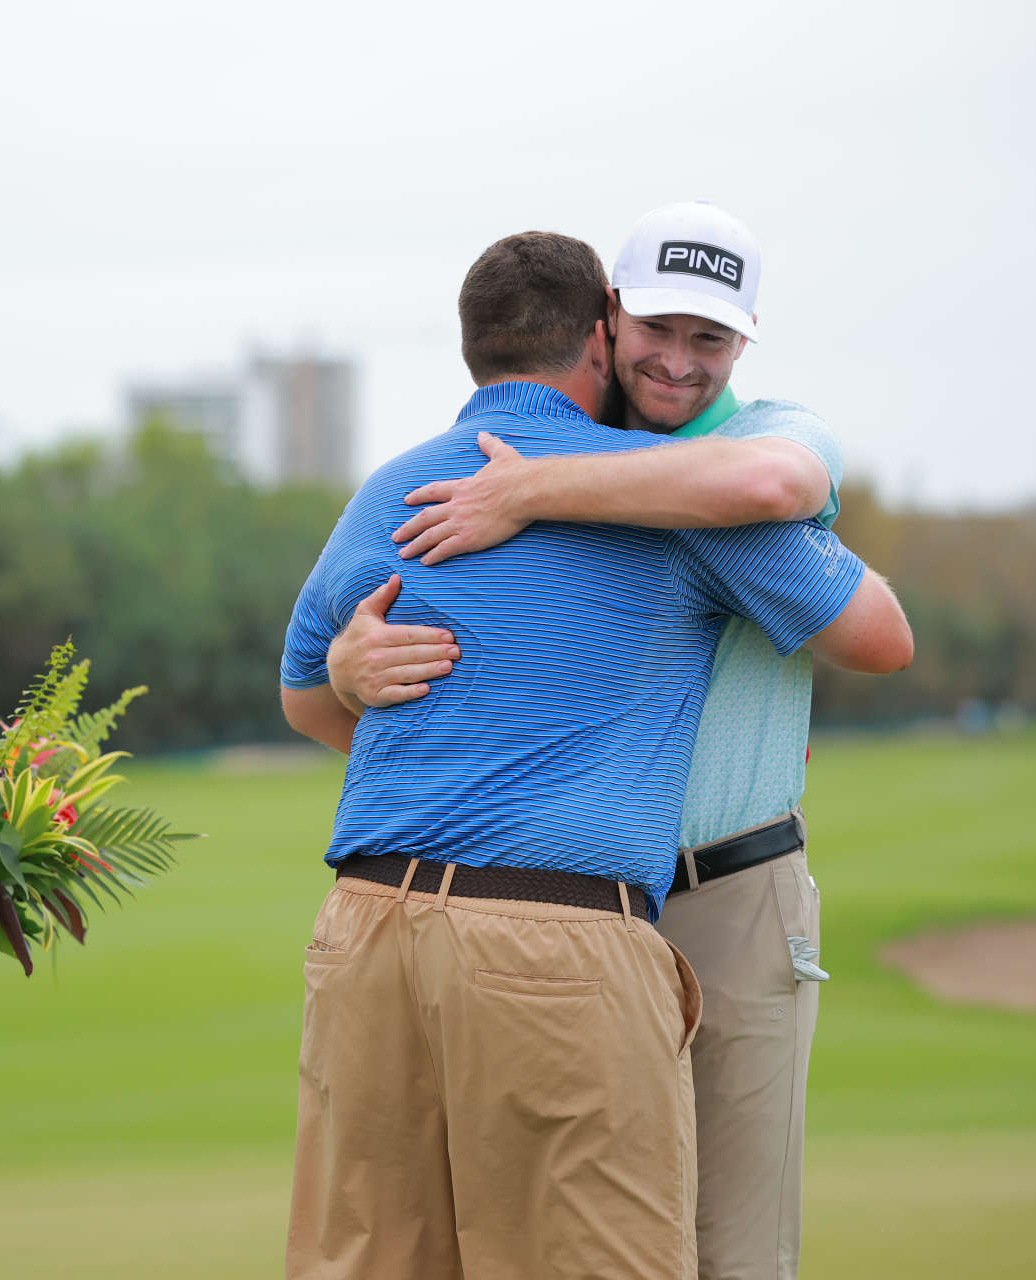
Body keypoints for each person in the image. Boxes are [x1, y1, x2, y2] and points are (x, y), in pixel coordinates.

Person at [279, 228, 910, 1280]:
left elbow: (307, 700)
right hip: (561, 944)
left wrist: (366, 676)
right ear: (603, 330)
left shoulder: (388, 489)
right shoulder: (676, 496)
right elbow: (883, 637)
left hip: (362, 932)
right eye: (656, 328)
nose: (674, 356)